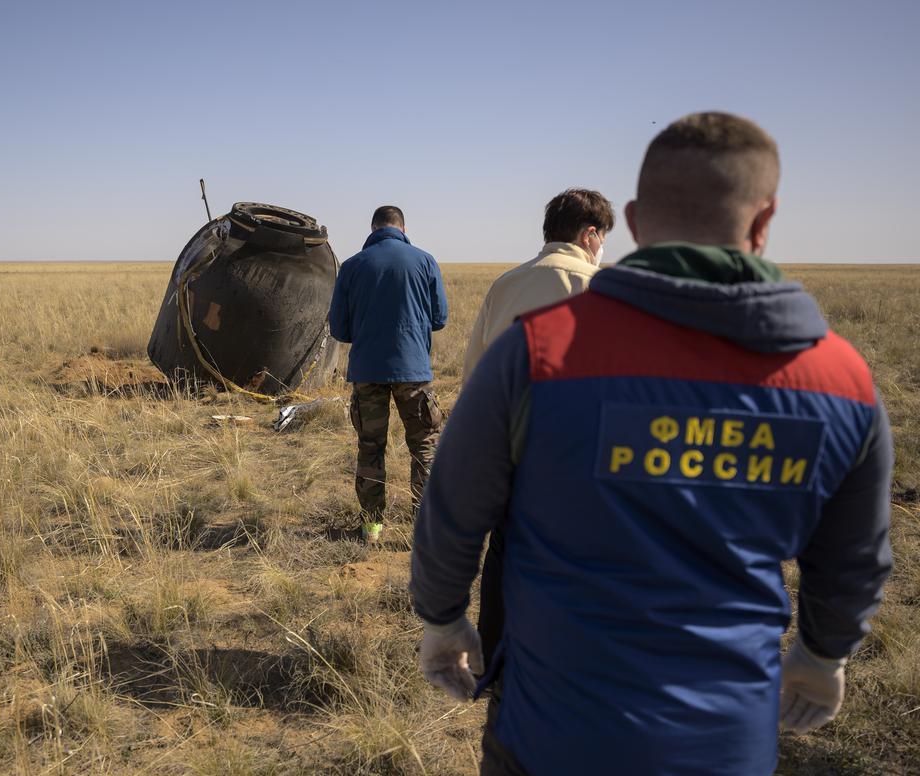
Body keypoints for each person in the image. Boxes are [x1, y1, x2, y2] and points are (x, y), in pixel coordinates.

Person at [410, 112, 893, 775]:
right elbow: (855, 559)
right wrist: (821, 655)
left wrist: (441, 618)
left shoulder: (538, 354)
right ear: (765, 219)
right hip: (728, 745)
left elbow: (454, 507)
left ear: (634, 221)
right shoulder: (842, 382)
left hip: (549, 736)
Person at [329, 205, 448, 544]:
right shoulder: (425, 261)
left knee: (370, 447)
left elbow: (339, 328)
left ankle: (371, 529)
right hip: (413, 371)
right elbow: (440, 318)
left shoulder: (351, 266)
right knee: (424, 446)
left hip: (367, 371)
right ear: (403, 229)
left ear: (373, 228)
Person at [461, 189, 613, 382]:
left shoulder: (504, 284)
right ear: (589, 235)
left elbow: (474, 367)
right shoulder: (599, 285)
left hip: (507, 407)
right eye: (602, 239)